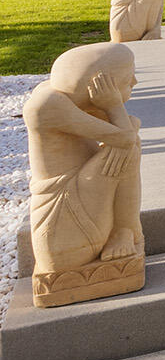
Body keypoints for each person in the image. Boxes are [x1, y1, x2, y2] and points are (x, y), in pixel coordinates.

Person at [26, 43, 144, 303]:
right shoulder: (47, 106)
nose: (134, 81)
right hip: (66, 231)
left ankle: (123, 231)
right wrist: (113, 105)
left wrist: (121, 121)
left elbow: (125, 130)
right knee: (127, 149)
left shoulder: (62, 96)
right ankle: (124, 230)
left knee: (128, 140)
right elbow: (124, 138)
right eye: (127, 79)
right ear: (97, 88)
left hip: (79, 203)